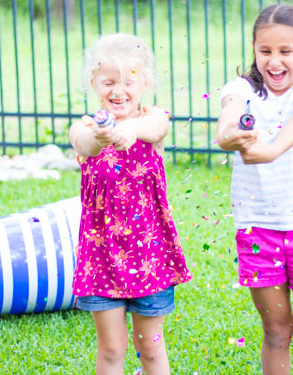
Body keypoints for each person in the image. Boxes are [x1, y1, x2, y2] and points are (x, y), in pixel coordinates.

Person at [217, 4, 293, 375]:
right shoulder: (241, 88)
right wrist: (229, 136)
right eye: (265, 51)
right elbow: (227, 117)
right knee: (275, 330)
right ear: (254, 47)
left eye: (286, 51)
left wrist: (267, 150)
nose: (275, 61)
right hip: (258, 231)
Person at [69, 33, 192, 375]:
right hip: (102, 258)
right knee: (112, 348)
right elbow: (86, 144)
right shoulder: (83, 129)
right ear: (94, 83)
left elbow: (154, 126)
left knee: (150, 349)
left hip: (150, 257)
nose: (118, 91)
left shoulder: (155, 120)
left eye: (128, 82)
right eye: (108, 82)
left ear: (146, 82)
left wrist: (131, 129)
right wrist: (104, 134)